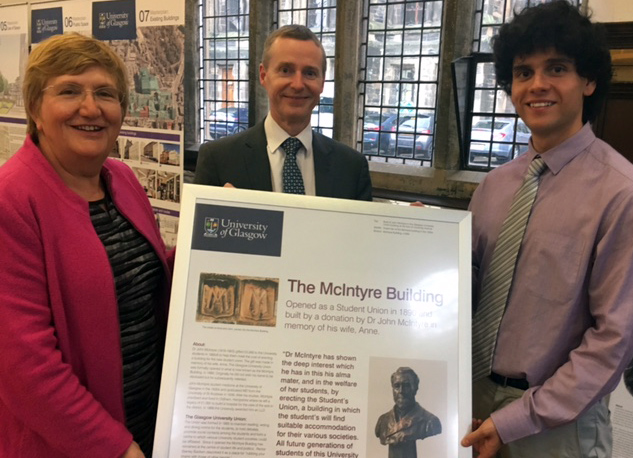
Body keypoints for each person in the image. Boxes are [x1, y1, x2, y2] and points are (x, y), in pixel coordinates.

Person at [461, 2, 633, 457]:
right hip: (473, 404)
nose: (537, 85)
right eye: (523, 72)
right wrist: (423, 242)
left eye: (556, 68)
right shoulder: (494, 187)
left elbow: (612, 340)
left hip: (558, 426)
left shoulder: (623, 194)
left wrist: (517, 419)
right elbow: (470, 290)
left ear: (589, 80)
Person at [0, 33, 172, 457]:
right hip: (74, 445)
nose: (91, 108)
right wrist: (115, 448)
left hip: (147, 422)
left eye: (106, 94)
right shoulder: (11, 201)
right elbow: (25, 367)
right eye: (70, 91)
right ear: (36, 109)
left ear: (122, 112)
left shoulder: (122, 179)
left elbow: (143, 274)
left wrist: (215, 240)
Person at [194, 24, 372, 201]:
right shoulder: (218, 160)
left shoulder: (352, 168)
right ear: (264, 76)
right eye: (286, 70)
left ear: (322, 83)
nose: (297, 84)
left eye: (310, 73)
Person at [375, 367, 442, 458]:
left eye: (406, 385)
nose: (401, 391)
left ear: (415, 387)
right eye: (397, 386)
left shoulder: (430, 422)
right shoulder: (383, 421)